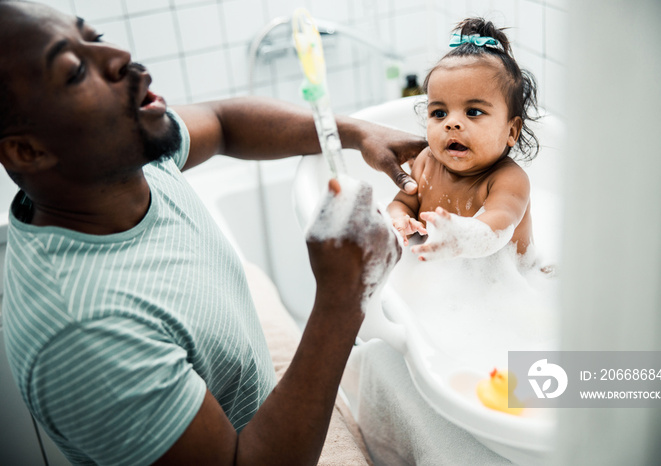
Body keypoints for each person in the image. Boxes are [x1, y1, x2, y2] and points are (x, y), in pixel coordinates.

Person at [0, 1, 426, 465]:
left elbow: (223, 123)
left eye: (96, 38)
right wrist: (344, 298)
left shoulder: (128, 160)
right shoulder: (83, 335)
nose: (120, 55)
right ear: (27, 150)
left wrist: (356, 131)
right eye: (76, 71)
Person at [387, 18, 540, 262]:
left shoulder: (508, 180)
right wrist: (400, 219)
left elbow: (495, 228)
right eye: (439, 113)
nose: (451, 123)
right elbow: (400, 203)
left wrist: (462, 238)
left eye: (473, 112)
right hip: (440, 276)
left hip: (502, 286)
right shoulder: (426, 161)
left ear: (512, 131)